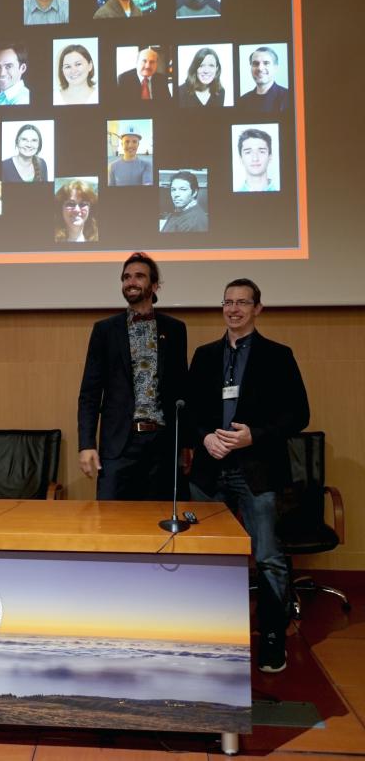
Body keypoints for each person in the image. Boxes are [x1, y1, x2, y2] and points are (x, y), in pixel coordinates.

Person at [188, 278, 309, 672]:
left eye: (243, 302)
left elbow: (298, 415)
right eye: (228, 302)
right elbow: (188, 414)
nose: (234, 309)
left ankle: (272, 638)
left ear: (258, 308)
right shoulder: (205, 356)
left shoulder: (278, 355)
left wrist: (252, 436)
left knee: (269, 558)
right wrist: (206, 438)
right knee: (207, 558)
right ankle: (212, 638)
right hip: (210, 473)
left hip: (257, 471)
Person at [78, 252, 188, 500]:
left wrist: (186, 445)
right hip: (119, 446)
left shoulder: (175, 329)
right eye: (126, 277)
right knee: (111, 524)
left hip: (163, 444)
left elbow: (182, 390)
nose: (131, 282)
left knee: (159, 522)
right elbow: (89, 393)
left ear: (155, 284)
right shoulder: (105, 330)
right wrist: (86, 444)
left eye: (139, 276)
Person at [240, 47, 289, 113]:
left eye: (266, 63)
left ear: (275, 67)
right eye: (255, 63)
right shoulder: (243, 101)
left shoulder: (289, 97)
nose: (260, 68)